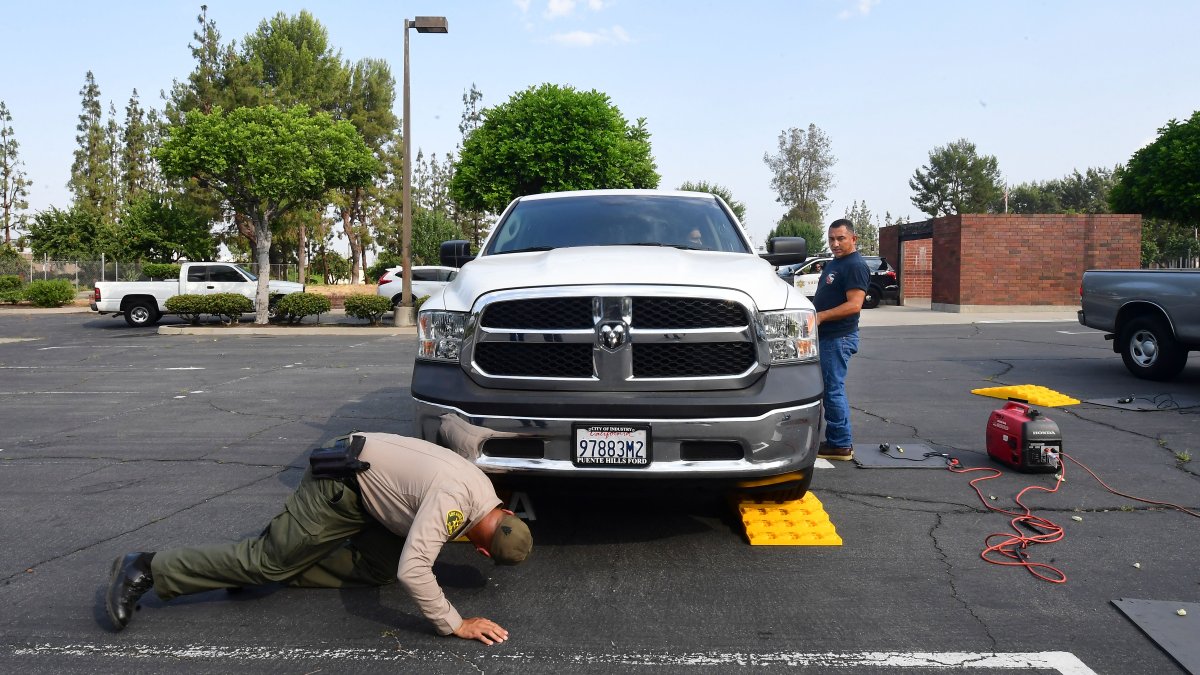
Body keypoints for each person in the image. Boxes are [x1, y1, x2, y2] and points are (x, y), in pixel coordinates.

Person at [105, 430, 533, 645]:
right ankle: (148, 568)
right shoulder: (453, 505)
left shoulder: (485, 491)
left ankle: (266, 560)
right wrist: (455, 623)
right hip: (342, 484)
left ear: (507, 512)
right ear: (481, 548)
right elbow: (415, 570)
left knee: (378, 568)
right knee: (266, 562)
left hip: (375, 494)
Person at [812, 218, 870, 461]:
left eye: (841, 238)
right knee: (830, 388)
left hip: (838, 338)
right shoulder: (838, 263)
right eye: (832, 239)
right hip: (828, 338)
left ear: (853, 239)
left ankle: (840, 443)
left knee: (833, 389)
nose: (835, 243)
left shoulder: (854, 266)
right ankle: (838, 440)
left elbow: (854, 305)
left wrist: (822, 316)